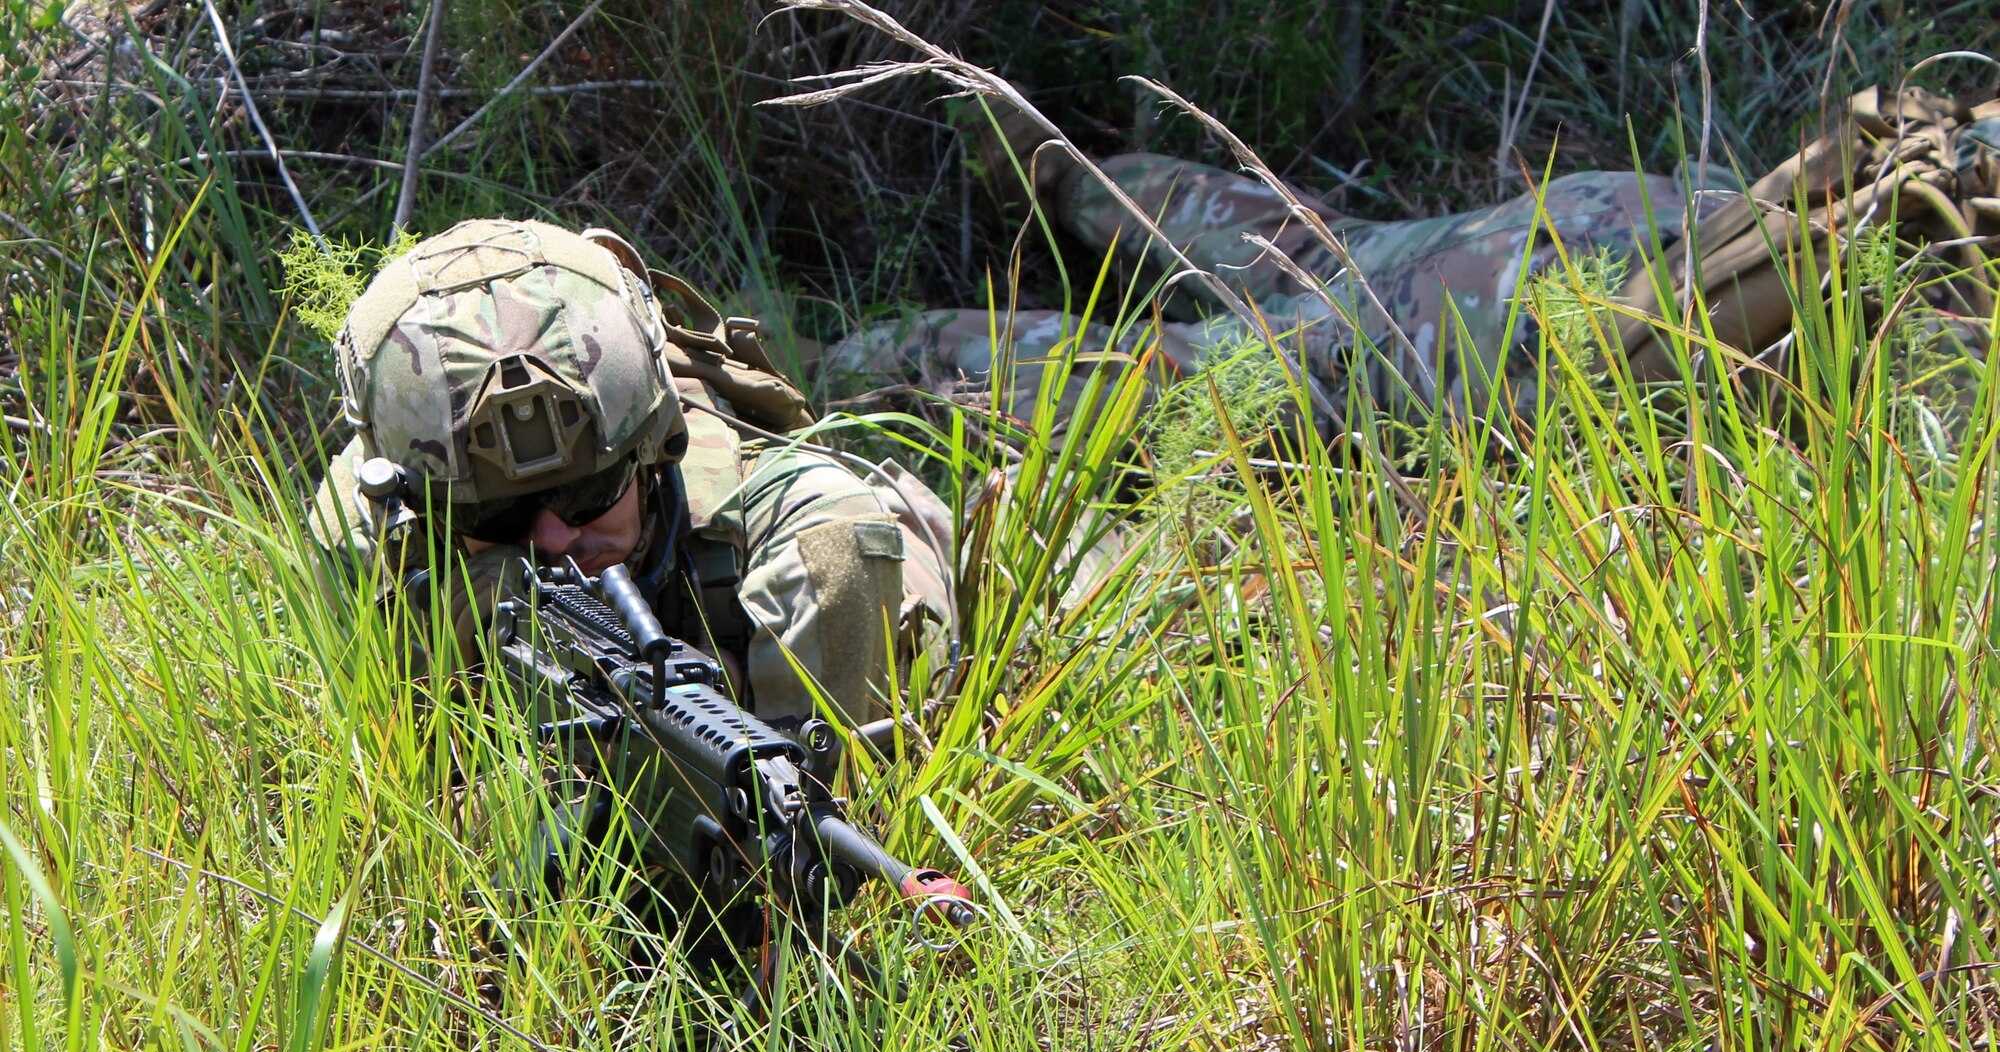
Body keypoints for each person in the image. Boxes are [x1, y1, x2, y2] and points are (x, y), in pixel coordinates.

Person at [825, 85, 2000, 424]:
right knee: (1244, 297)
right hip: (1499, 293)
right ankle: (1020, 185)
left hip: (1517, 283)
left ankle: (856, 342)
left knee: (1221, 306)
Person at [307, 217, 953, 728]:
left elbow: (825, 819)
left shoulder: (809, 544)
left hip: (904, 571)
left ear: (654, 451)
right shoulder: (372, 533)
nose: (557, 538)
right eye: (499, 516)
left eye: (585, 494)